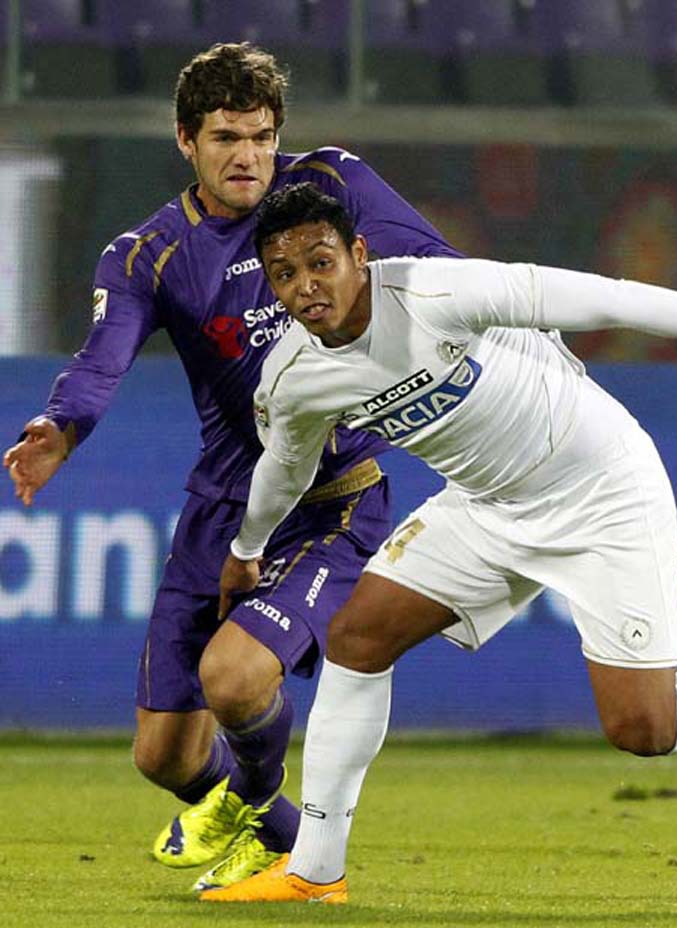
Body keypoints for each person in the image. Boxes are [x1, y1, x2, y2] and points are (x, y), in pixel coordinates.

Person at [199, 182, 677, 905]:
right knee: (356, 639)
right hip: (486, 509)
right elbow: (286, 465)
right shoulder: (294, 376)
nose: (307, 286)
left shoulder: (437, 294)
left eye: (321, 262)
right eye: (285, 275)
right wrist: (248, 548)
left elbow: (609, 300)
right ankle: (317, 872)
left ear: (358, 253)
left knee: (646, 730)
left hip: (603, 491)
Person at [2, 44, 460, 892]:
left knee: (235, 677)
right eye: (225, 138)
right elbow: (102, 360)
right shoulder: (149, 254)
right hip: (223, 508)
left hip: (333, 498)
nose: (248, 155)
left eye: (260, 136)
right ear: (186, 141)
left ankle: (265, 809)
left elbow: (436, 264)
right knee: (164, 754)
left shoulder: (331, 185)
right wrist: (60, 427)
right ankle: (277, 835)